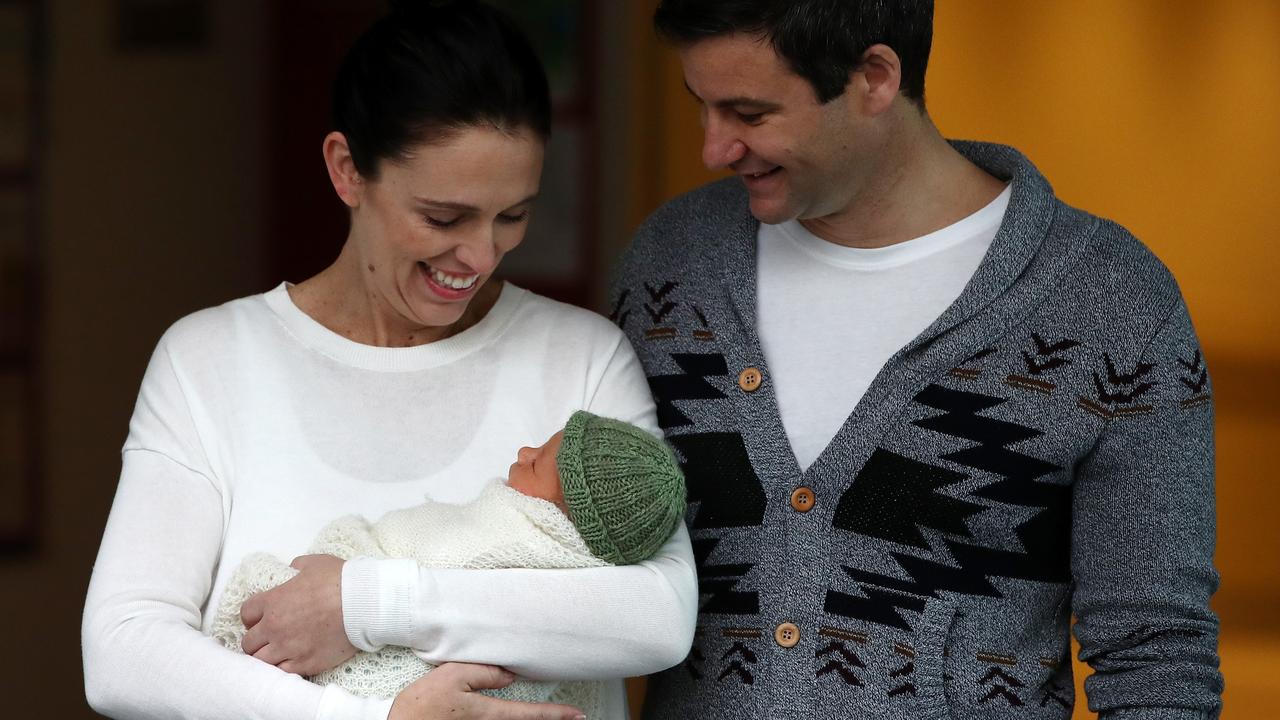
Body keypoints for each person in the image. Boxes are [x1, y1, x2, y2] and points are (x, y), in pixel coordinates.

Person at [82, 2, 697, 719]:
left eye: (513, 215)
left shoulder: (580, 356)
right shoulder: (211, 361)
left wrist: (367, 603)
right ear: (347, 171)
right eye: (443, 218)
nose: (479, 255)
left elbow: (658, 616)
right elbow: (123, 650)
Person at [609, 1, 1222, 719]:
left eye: (749, 113)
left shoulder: (1110, 300)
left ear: (874, 78)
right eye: (702, 107)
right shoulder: (672, 264)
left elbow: (1155, 655)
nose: (714, 147)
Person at [210, 410, 687, 718]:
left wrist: (356, 579)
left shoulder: (521, 539)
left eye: (539, 462)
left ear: (566, 516)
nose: (523, 453)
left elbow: (446, 552)